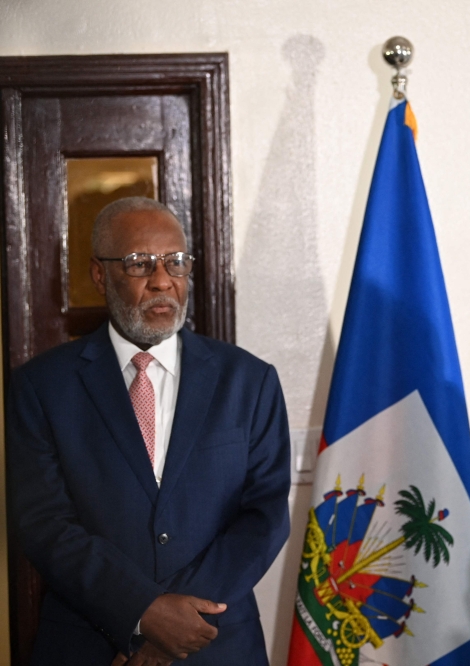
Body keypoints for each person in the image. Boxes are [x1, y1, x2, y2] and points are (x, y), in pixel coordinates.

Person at [9, 197, 291, 664]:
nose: (162, 280)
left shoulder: (249, 381)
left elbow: (265, 516)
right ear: (100, 274)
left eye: (176, 263)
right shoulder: (41, 387)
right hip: (90, 646)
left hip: (217, 644)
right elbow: (43, 523)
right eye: (139, 264)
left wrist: (176, 623)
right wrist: (141, 613)